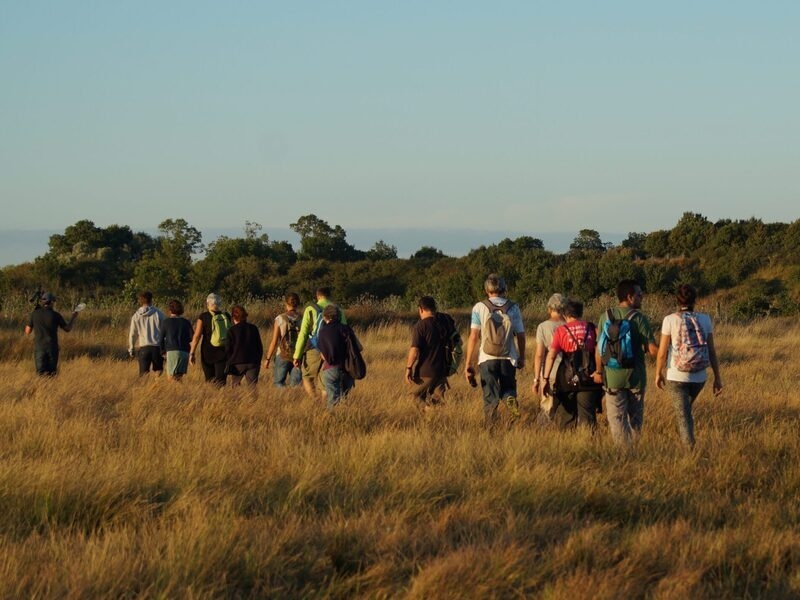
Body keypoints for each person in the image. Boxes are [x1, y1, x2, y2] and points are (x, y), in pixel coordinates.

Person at [655, 284, 723, 448]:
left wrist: (658, 373)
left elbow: (662, 352)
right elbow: (711, 351)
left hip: (676, 375)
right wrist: (717, 378)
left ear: (677, 300)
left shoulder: (669, 319)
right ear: (695, 300)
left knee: (683, 414)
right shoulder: (705, 319)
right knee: (685, 410)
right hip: (699, 377)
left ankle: (689, 449)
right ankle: (688, 441)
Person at [595, 279, 658, 445]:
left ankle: (623, 451)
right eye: (639, 294)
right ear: (630, 297)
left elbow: (599, 349)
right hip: (635, 377)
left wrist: (599, 372)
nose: (642, 297)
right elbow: (653, 350)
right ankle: (634, 450)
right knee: (635, 420)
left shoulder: (605, 316)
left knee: (616, 418)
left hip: (612, 377)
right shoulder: (639, 319)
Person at [464, 274, 526, 430]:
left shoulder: (479, 307)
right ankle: (510, 398)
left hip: (487, 358)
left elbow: (473, 336)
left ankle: (491, 428)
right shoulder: (514, 307)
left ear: (486, 289)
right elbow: (521, 334)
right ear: (504, 289)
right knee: (508, 388)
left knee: (490, 396)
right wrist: (521, 357)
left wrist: (468, 362)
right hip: (508, 357)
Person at [542, 299, 603, 431]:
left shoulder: (561, 330)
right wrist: (599, 371)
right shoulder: (592, 328)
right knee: (588, 417)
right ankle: (589, 443)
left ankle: (568, 443)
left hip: (567, 379)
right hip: (589, 378)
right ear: (581, 313)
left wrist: (545, 378)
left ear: (565, 315)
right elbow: (601, 349)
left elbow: (551, 355)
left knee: (566, 416)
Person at [405, 296, 461, 411]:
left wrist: (408, 368)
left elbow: (415, 350)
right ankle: (432, 420)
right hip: (442, 370)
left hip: (425, 371)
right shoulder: (444, 323)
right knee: (438, 400)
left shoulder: (421, 326)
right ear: (434, 308)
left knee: (412, 397)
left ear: (420, 309)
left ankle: (424, 416)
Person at [292, 286, 346, 399]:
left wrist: (297, 355)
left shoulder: (310, 309)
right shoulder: (338, 310)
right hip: (332, 350)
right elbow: (344, 331)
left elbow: (303, 333)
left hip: (313, 348)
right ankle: (324, 404)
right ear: (329, 296)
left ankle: (314, 400)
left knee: (307, 377)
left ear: (317, 296)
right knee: (325, 380)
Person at [24, 292, 78, 376]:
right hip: (52, 348)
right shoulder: (56, 315)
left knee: (40, 374)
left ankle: (41, 389)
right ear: (52, 302)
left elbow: (27, 331)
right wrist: (73, 318)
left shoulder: (34, 314)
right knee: (52, 374)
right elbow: (67, 329)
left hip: (39, 348)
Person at [532, 293, 566, 421]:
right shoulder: (569, 325)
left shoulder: (543, 327)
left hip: (549, 373)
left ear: (549, 309)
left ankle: (543, 435)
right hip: (568, 373)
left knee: (547, 408)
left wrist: (537, 379)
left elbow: (539, 354)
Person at [315, 304, 355, 410]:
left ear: (325, 316)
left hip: (330, 368)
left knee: (332, 399)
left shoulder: (323, 331)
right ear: (339, 316)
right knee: (344, 398)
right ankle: (345, 418)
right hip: (348, 368)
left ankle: (332, 419)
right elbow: (357, 348)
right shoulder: (347, 329)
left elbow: (322, 355)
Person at [189, 293, 231, 386]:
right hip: (223, 352)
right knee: (221, 381)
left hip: (207, 353)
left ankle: (212, 398)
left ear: (208, 304)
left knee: (209, 380)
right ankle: (221, 399)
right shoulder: (227, 316)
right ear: (220, 304)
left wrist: (192, 353)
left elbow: (197, 336)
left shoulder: (203, 317)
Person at [264, 292, 303, 388]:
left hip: (282, 354)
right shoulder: (302, 319)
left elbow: (274, 341)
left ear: (286, 304)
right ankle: (295, 401)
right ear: (297, 304)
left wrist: (268, 359)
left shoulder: (280, 318)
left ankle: (283, 399)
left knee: (278, 383)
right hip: (298, 355)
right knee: (296, 385)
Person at [128, 291, 166, 376]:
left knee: (143, 374)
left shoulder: (136, 316)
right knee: (158, 371)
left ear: (140, 301)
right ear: (151, 299)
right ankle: (157, 386)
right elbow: (165, 331)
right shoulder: (158, 313)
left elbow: (133, 334)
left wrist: (131, 348)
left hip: (144, 347)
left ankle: (145, 388)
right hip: (157, 347)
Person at [226, 305, 264, 386]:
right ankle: (254, 399)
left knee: (235, 386)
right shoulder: (253, 328)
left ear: (234, 317)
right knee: (252, 387)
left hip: (237, 362)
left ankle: (235, 399)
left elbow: (228, 349)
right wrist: (258, 360)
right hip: (253, 362)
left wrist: (229, 361)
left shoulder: (232, 330)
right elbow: (259, 347)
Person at [160, 299, 193, 381]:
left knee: (171, 378)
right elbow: (192, 337)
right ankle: (181, 392)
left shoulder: (166, 322)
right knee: (178, 377)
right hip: (185, 352)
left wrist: (162, 351)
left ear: (170, 310)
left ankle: (177, 393)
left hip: (172, 351)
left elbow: (160, 339)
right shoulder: (186, 322)